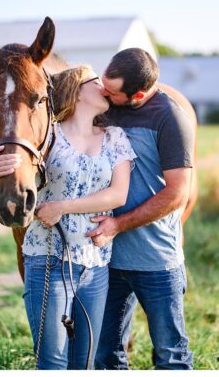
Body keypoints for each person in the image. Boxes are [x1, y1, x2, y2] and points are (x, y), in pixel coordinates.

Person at [0, 65, 136, 369]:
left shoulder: (114, 137)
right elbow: (16, 171)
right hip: (48, 259)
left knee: (85, 361)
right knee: (52, 361)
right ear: (77, 91)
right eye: (96, 82)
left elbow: (118, 195)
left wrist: (62, 207)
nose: (104, 87)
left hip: (95, 264)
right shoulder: (48, 138)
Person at [87, 48, 195, 370]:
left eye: (111, 91)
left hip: (157, 263)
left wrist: (118, 225)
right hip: (109, 262)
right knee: (106, 356)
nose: (102, 93)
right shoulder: (107, 109)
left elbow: (177, 193)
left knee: (171, 356)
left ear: (137, 94)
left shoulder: (170, 118)